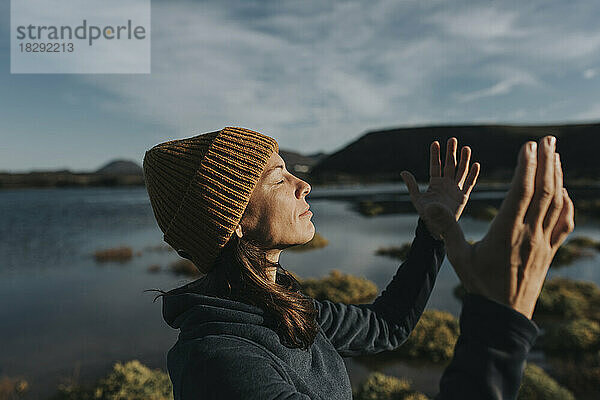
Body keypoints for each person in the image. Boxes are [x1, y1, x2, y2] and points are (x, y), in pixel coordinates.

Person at [142, 127, 573, 399]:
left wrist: (434, 231)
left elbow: (387, 325)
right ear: (230, 222)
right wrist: (498, 328)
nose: (303, 184)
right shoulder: (221, 363)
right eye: (277, 178)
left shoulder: (282, 309)